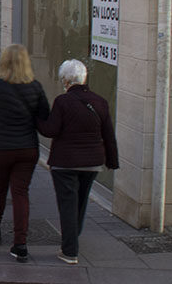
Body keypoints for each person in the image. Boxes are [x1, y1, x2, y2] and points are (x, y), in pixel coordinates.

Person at [38, 59, 119, 265]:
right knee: (80, 203)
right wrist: (112, 160)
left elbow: (51, 130)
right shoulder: (100, 101)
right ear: (84, 78)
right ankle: (74, 235)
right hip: (92, 163)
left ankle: (70, 251)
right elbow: (108, 134)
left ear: (65, 80)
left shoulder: (62, 102)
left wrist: (36, 119)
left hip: (65, 163)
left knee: (67, 204)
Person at [0, 44, 50, 263]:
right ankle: (20, 244)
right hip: (27, 148)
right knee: (21, 193)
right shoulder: (35, 87)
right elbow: (44, 116)